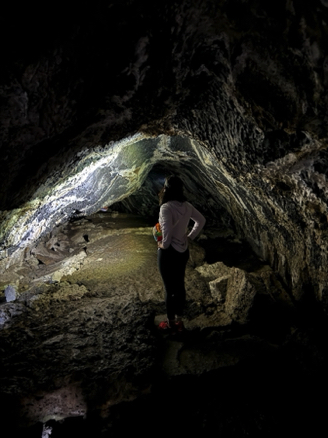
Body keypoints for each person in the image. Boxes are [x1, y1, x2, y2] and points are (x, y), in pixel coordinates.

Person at [157, 175, 206, 333]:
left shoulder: (166, 207)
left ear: (166, 189)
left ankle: (170, 324)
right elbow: (201, 221)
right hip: (183, 250)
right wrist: (190, 237)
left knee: (168, 288)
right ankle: (179, 320)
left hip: (168, 252)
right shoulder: (187, 206)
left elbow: (167, 232)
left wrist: (162, 244)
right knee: (180, 285)